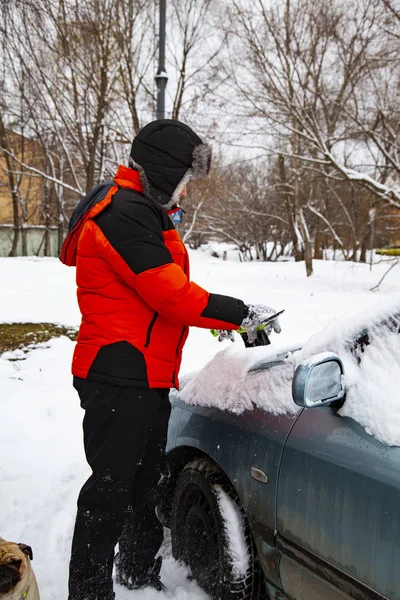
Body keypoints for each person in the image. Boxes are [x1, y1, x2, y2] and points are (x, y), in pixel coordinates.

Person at [61, 119, 280, 600]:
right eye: (181, 180)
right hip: (116, 374)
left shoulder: (143, 209)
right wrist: (239, 314)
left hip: (144, 374)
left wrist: (224, 318)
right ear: (160, 172)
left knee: (145, 485)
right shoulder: (123, 212)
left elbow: (167, 299)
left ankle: (137, 573)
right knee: (110, 492)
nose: (184, 192)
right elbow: (171, 295)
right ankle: (89, 592)